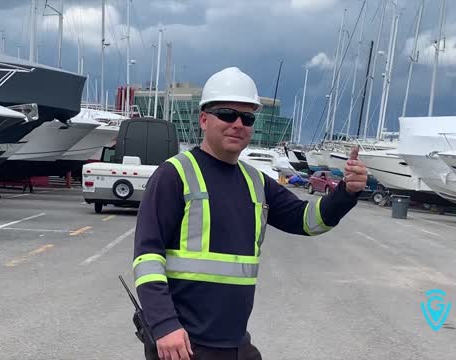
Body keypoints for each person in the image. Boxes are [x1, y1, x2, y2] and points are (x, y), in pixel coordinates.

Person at [132, 67, 368, 360]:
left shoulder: (256, 182)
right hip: (185, 344)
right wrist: (164, 324)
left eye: (247, 118)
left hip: (235, 343)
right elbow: (147, 256)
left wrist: (347, 192)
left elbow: (308, 220)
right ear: (204, 119)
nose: (238, 124)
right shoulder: (174, 174)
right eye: (227, 114)